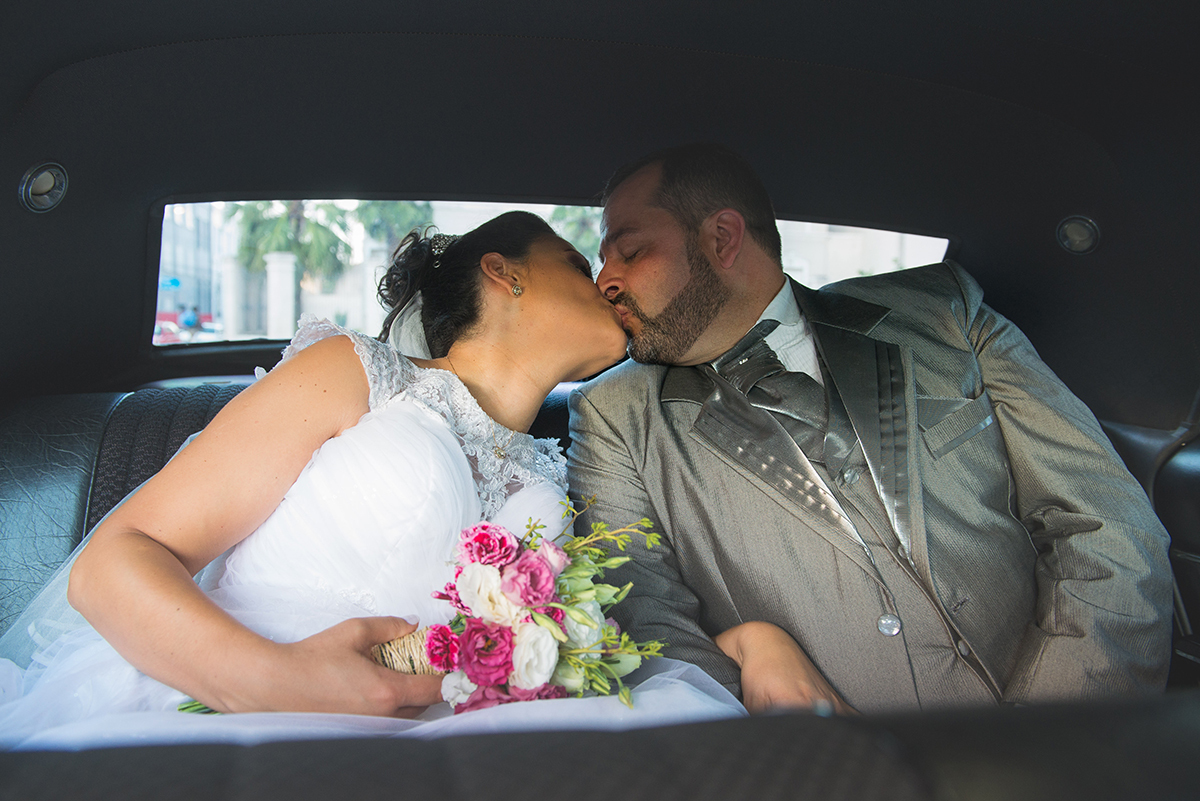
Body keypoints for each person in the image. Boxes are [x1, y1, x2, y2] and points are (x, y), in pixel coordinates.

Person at [0, 212, 744, 750]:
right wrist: (275, 682)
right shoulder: (358, 375)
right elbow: (112, 564)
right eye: (579, 267)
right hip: (225, 710)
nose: (610, 285)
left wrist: (747, 639)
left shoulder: (559, 469)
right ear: (504, 271)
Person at [567, 143, 1174, 715]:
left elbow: (1105, 523)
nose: (605, 282)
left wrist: (1044, 738)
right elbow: (647, 626)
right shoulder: (617, 418)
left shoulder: (943, 312)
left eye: (629, 250)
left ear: (723, 238)